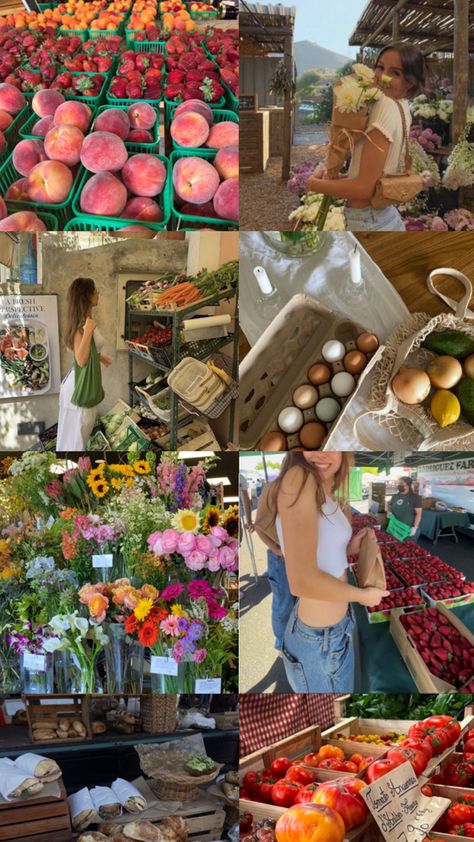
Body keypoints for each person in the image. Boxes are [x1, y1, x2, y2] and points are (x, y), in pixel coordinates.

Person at [268, 452, 389, 693]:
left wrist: (349, 546)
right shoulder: (298, 477)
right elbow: (301, 582)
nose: (321, 452)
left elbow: (321, 554)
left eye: (332, 445)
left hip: (333, 631)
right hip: (318, 642)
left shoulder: (326, 492)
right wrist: (363, 596)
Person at [307, 42, 427, 232]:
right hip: (383, 216)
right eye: (380, 67)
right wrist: (335, 177)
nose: (382, 77)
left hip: (368, 221)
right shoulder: (403, 105)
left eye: (395, 73)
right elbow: (373, 175)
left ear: (410, 81)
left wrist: (315, 184)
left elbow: (363, 189)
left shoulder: (384, 105)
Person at [57, 277, 111, 450]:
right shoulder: (82, 324)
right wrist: (88, 331)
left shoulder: (84, 319)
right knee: (75, 442)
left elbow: (73, 350)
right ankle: (70, 473)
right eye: (95, 291)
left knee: (74, 438)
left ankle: (69, 471)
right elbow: (80, 360)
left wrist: (99, 357)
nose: (98, 294)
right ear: (88, 295)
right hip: (80, 388)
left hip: (77, 384)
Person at [254, 483, 296, 652]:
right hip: (282, 558)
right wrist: (276, 549)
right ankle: (281, 643)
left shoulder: (310, 487)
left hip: (303, 556)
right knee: (284, 603)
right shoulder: (275, 488)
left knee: (298, 602)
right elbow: (260, 525)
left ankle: (294, 641)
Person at [388, 476, 422, 540]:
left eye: (401, 483)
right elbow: (389, 504)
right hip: (395, 527)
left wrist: (415, 527)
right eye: (399, 483)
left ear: (408, 485)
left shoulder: (415, 498)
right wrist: (389, 511)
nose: (399, 485)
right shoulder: (395, 496)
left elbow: (418, 514)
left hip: (407, 529)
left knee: (408, 548)